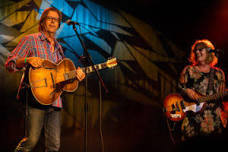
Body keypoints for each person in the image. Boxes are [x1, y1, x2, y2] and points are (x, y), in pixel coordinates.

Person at [5, 7, 85, 152]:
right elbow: (10, 63)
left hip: (55, 101)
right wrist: (26, 59)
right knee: (31, 142)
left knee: (54, 146)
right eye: (50, 18)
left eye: (56, 20)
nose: (54, 22)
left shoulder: (60, 48)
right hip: (36, 97)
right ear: (42, 22)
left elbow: (61, 79)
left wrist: (77, 76)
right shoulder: (31, 40)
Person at [177, 39, 226, 150]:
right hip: (193, 121)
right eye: (195, 51)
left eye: (200, 49)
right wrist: (187, 91)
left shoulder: (219, 74)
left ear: (209, 51)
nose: (197, 52)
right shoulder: (188, 70)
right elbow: (179, 88)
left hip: (213, 122)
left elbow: (221, 96)